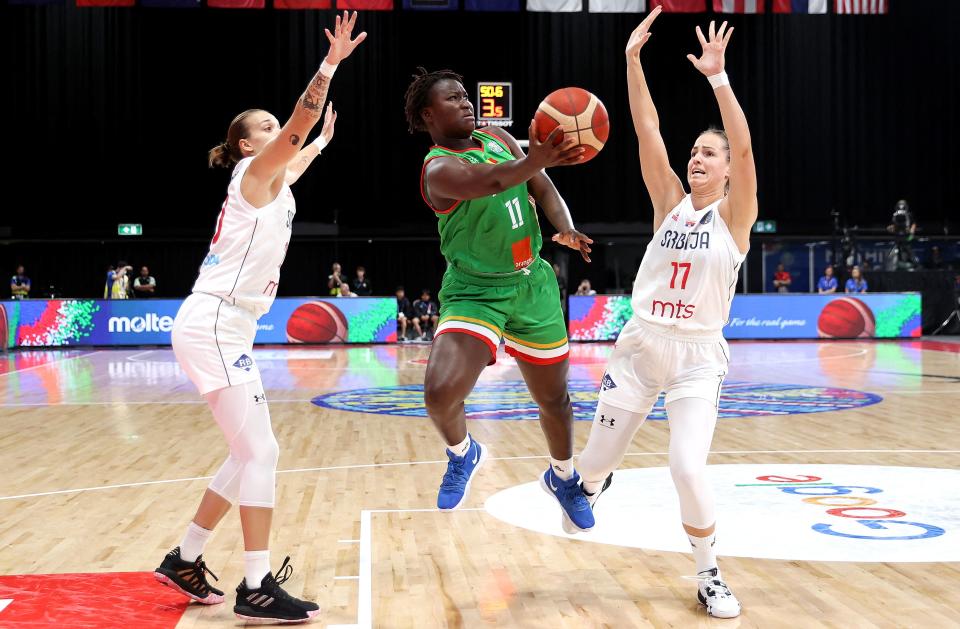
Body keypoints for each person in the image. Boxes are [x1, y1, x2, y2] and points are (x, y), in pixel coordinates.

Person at [152, 12, 364, 624]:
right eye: (266, 128)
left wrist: (321, 139)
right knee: (263, 452)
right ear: (248, 145)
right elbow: (292, 136)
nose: (279, 132)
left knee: (246, 453)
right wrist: (328, 68)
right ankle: (256, 584)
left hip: (226, 326)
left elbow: (299, 155)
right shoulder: (253, 174)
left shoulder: (275, 180)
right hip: (216, 322)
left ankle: (185, 557)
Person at [576, 12, 754, 619]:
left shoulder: (735, 219)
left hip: (698, 356)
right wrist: (631, 62)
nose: (697, 158)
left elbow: (746, 145)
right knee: (589, 472)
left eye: (709, 153)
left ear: (727, 170)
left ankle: (709, 574)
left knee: (685, 464)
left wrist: (720, 79)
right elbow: (645, 126)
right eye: (695, 152)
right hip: (640, 345)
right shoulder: (668, 204)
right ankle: (592, 481)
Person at [404, 66, 596, 531]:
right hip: (476, 290)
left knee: (554, 399)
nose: (466, 102)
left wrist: (564, 227)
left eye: (466, 95)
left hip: (532, 284)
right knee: (439, 392)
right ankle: (462, 453)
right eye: (453, 98)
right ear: (429, 115)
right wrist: (539, 157)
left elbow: (542, 186)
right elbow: (490, 182)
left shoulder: (499, 136)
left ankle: (563, 477)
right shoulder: (438, 169)